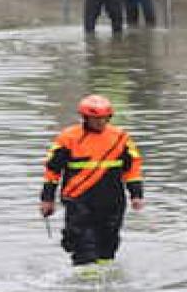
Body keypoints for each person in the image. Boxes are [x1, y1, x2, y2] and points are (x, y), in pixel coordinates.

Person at [39, 94, 144, 267]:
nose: (100, 122)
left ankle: (105, 282)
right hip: (78, 199)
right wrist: (47, 199)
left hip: (112, 200)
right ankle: (85, 283)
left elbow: (132, 168)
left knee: (108, 244)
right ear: (85, 118)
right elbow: (52, 170)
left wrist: (136, 195)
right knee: (83, 243)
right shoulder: (68, 138)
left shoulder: (121, 138)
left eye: (104, 118)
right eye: (96, 119)